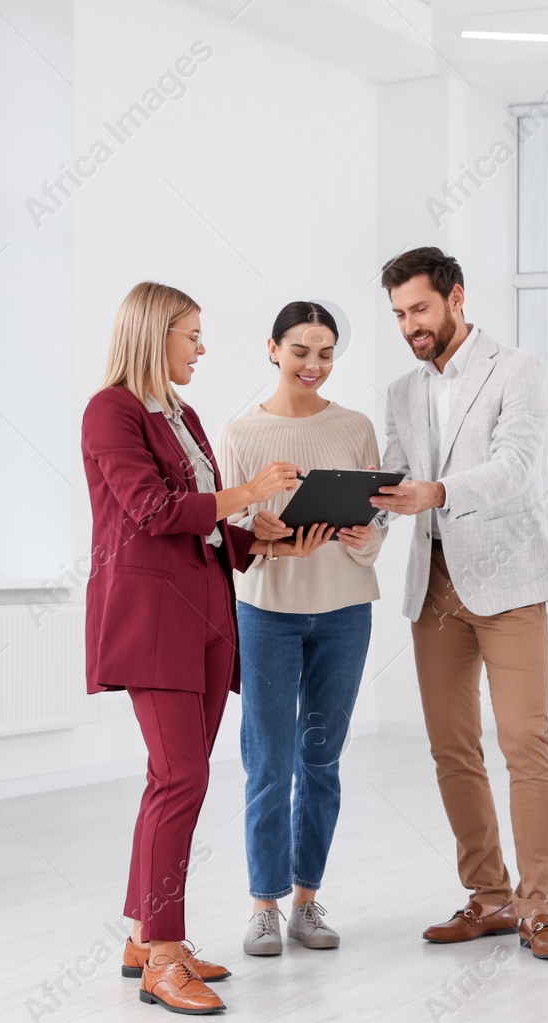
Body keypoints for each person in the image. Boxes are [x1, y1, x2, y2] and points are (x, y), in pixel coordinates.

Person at [81, 281, 301, 1015]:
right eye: (192, 335)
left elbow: (200, 528)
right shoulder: (110, 410)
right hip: (152, 621)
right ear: (154, 334)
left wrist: (255, 533)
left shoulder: (184, 414)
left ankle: (147, 937)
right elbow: (149, 510)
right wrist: (247, 492)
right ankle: (164, 956)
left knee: (172, 777)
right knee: (182, 779)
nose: (202, 349)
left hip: (208, 613)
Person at [369, 247, 548, 960]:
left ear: (456, 296)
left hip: (509, 583)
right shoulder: (401, 390)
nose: (410, 326)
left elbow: (515, 469)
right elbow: (395, 480)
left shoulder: (515, 370)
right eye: (398, 314)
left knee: (524, 742)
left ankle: (539, 908)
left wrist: (439, 491)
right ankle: (489, 896)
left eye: (419, 309)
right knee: (453, 748)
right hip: (433, 586)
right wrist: (350, 513)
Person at [216, 302, 386, 956]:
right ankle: (264, 904)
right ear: (271, 349)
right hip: (265, 609)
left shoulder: (355, 427)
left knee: (320, 756)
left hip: (345, 607)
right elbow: (226, 535)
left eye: (324, 352)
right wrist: (268, 537)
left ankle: (307, 900)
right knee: (269, 757)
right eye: (299, 350)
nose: (313, 364)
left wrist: (361, 535)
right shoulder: (238, 434)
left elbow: (373, 530)